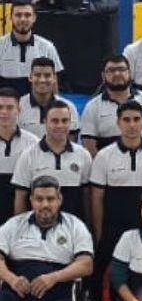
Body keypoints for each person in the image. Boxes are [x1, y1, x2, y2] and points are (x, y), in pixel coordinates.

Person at [89, 100, 142, 274]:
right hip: (113, 230)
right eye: (126, 120)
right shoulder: (104, 156)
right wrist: (99, 234)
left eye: (136, 119)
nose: (132, 125)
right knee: (106, 277)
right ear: (118, 123)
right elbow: (97, 198)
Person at [12, 101, 91, 220]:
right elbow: (20, 197)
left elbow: (87, 196)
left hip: (73, 227)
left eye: (64, 121)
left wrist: (88, 226)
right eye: (54, 121)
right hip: (37, 227)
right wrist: (20, 227)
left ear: (70, 123)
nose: (60, 125)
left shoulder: (83, 154)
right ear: (45, 122)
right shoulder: (28, 155)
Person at [79, 56, 142, 155]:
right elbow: (89, 143)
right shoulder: (92, 107)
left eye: (121, 69)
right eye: (111, 70)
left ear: (130, 73)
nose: (117, 74)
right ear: (103, 76)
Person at [0, 0, 64, 97]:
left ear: (34, 18)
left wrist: (54, 103)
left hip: (36, 104)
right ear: (11, 18)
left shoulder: (47, 47)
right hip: (6, 104)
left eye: (27, 15)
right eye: (18, 15)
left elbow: (53, 81)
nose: (23, 19)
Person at [0, 88, 39, 221]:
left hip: (22, 213)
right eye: (0, 107)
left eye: (10, 107)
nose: (4, 112)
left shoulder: (33, 143)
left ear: (19, 110)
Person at [18, 57, 78, 138]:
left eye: (47, 75)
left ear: (54, 78)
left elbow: (71, 142)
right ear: (30, 77)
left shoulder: (69, 107)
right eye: (37, 75)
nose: (42, 80)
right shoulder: (18, 106)